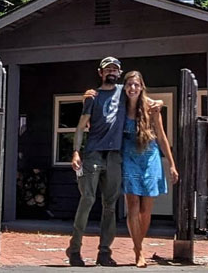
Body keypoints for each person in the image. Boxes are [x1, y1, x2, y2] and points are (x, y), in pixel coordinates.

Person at [67, 57, 161, 267]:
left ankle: (104, 253)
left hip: (115, 156)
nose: (112, 71)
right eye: (107, 68)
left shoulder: (124, 91)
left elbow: (145, 97)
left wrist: (160, 102)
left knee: (110, 206)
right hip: (93, 153)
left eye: (115, 69)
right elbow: (81, 126)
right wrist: (75, 152)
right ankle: (74, 250)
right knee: (88, 200)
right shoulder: (93, 96)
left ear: (119, 73)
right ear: (100, 72)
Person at [121, 70, 178, 268]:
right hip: (128, 157)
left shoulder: (151, 108)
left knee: (146, 209)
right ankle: (139, 252)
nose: (132, 88)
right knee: (133, 205)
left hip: (150, 157)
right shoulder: (120, 107)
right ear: (124, 87)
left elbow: (162, 138)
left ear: (141, 87)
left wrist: (171, 164)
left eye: (136, 84)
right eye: (129, 84)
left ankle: (139, 244)